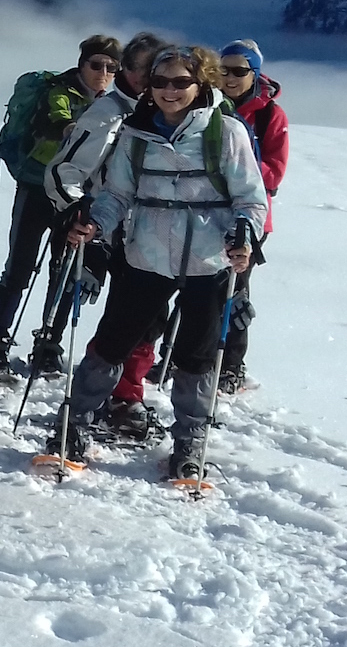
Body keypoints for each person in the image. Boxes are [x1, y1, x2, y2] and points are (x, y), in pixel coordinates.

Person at [56, 46, 265, 477]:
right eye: (160, 81)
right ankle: (74, 423)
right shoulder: (135, 134)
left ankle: (190, 439)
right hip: (146, 255)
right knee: (113, 342)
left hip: (208, 260)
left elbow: (250, 199)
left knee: (197, 355)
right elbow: (117, 195)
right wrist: (94, 225)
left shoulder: (225, 132)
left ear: (200, 84)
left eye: (181, 82)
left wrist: (244, 233)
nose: (170, 90)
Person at [0, 36, 120, 381]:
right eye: (96, 64)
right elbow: (56, 121)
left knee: (65, 269)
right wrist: (82, 133)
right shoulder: (59, 92)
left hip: (75, 195)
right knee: (20, 267)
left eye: (111, 67)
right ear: (82, 64)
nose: (103, 72)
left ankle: (47, 344)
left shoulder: (111, 105)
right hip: (38, 187)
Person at [46, 31, 166, 435]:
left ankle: (125, 395)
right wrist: (78, 208)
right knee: (122, 321)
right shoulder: (108, 114)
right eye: (146, 70)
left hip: (151, 234)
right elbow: (65, 169)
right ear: (126, 71)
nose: (153, 79)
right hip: (106, 229)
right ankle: (99, 399)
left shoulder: (166, 115)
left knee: (149, 319)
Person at [216, 39, 288, 394]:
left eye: (239, 71)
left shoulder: (270, 115)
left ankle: (231, 366)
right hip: (206, 210)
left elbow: (274, 173)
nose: (229, 78)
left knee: (235, 292)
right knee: (196, 289)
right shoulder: (208, 105)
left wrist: (239, 160)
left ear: (254, 74)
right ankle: (185, 356)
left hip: (250, 217)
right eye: (223, 70)